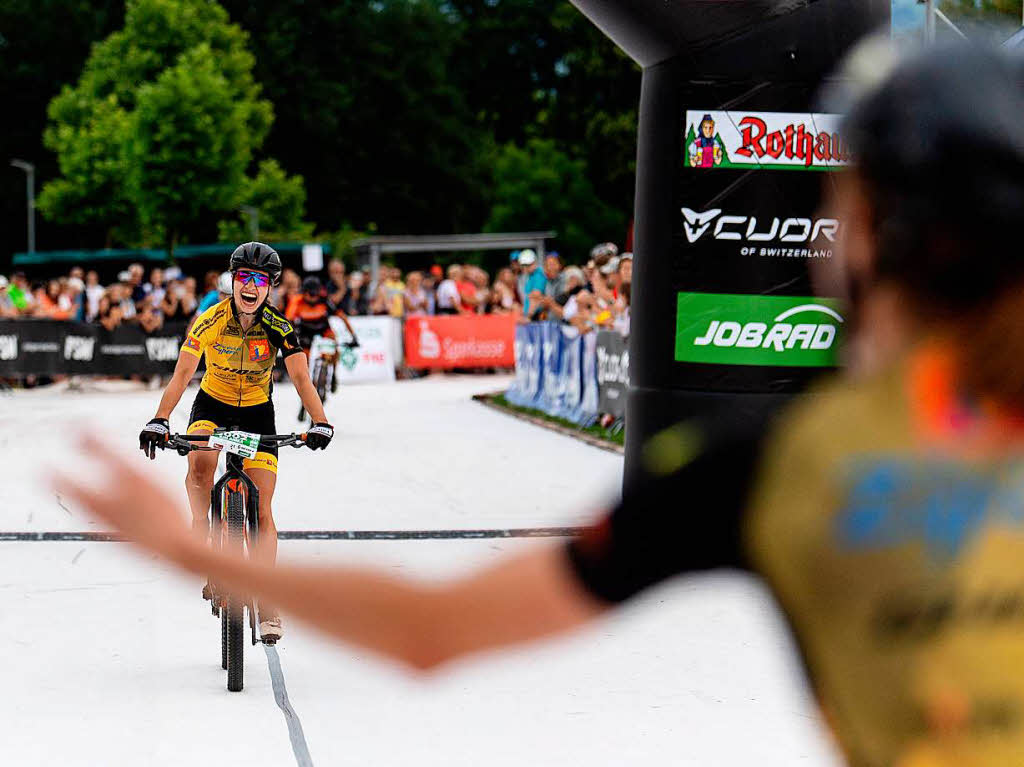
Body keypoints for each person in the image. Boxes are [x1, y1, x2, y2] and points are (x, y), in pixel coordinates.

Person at [57, 43, 1024, 767]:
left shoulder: (780, 457)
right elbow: (183, 376)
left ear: (854, 240)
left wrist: (180, 539)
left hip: (265, 421)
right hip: (217, 407)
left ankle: (238, 575)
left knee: (261, 500)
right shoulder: (787, 450)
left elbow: (429, 632)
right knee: (216, 471)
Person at [134, 242, 336, 642]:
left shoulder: (280, 327)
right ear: (232, 281)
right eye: (245, 277)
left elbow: (300, 379)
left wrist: (321, 421)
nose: (251, 287)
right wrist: (159, 419)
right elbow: (181, 375)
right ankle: (200, 528)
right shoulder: (208, 321)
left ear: (270, 288)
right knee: (200, 468)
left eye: (260, 280)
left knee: (262, 509)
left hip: (257, 413)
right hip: (213, 405)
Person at [286, 275, 360, 394]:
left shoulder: (325, 300)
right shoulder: (297, 301)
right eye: (310, 294)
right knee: (304, 358)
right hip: (305, 331)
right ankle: (308, 385)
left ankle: (333, 374)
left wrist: (353, 337)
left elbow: (343, 317)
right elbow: (288, 320)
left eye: (315, 295)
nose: (313, 298)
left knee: (334, 347)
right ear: (304, 293)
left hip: (323, 328)